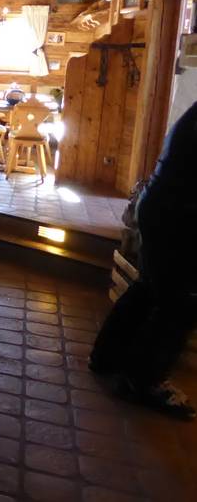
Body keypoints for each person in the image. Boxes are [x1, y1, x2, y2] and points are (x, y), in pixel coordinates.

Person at [89, 100, 197, 420]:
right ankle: (143, 381)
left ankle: (106, 357)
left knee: (149, 287)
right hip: (181, 214)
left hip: (162, 204)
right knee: (179, 305)